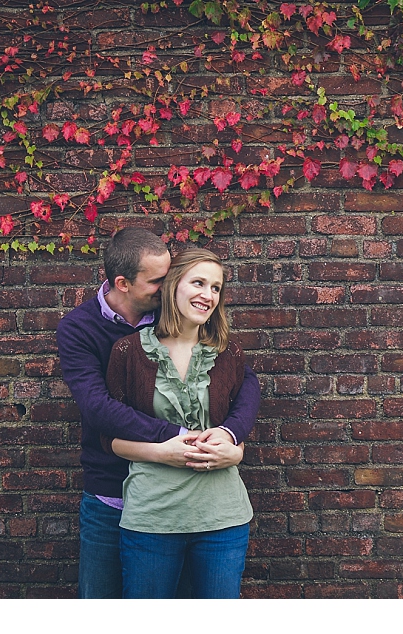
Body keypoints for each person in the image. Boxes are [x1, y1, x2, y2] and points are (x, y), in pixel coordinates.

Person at [56, 228, 259, 599]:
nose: (168, 286)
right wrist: (178, 438)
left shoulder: (184, 322)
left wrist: (232, 437)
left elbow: (244, 381)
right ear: (123, 283)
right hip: (113, 489)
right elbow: (98, 407)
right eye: (158, 281)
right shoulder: (85, 331)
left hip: (198, 501)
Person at [105, 248, 252, 598]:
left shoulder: (228, 352)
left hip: (223, 518)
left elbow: (239, 419)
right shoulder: (129, 352)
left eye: (216, 287)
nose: (208, 295)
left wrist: (236, 451)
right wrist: (162, 453)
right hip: (153, 516)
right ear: (172, 286)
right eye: (198, 282)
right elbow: (110, 440)